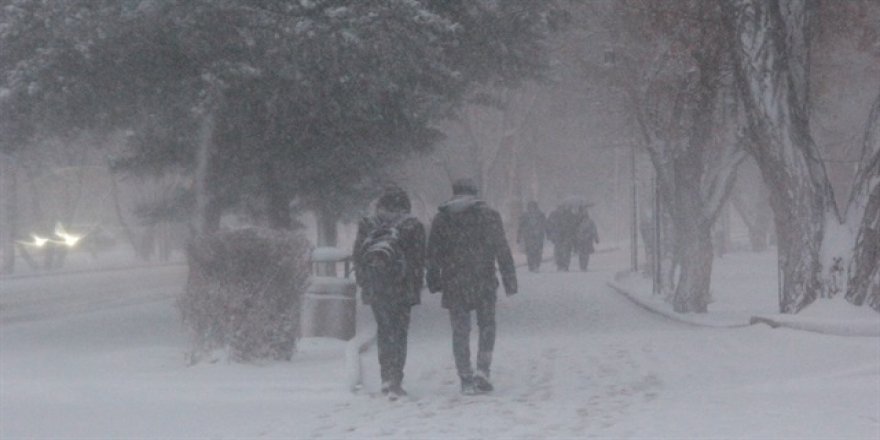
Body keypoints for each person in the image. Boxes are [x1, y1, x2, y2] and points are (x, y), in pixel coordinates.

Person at [426, 178, 517, 395]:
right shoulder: (489, 216)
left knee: (460, 331)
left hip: (454, 281)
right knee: (487, 326)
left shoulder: (442, 218)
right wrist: (509, 279)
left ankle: (465, 376)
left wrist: (434, 279)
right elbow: (502, 249)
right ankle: (483, 369)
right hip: (483, 279)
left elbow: (433, 253)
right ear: (475, 193)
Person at [352, 187, 426, 400]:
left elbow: (358, 256)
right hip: (402, 287)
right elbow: (418, 259)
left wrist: (365, 283)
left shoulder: (368, 224)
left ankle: (385, 376)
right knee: (400, 332)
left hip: (377, 287)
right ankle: (395, 379)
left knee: (384, 331)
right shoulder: (412, 226)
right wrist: (415, 286)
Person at [546, 204, 579, 271]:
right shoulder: (554, 214)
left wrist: (573, 234)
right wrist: (550, 234)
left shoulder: (569, 214)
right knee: (559, 251)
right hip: (558, 236)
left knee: (566, 251)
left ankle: (565, 265)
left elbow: (574, 224)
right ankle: (560, 264)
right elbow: (548, 225)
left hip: (567, 235)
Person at [517, 201, 546, 272]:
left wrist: (546, 233)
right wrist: (518, 236)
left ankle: (537, 264)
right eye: (530, 207)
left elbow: (545, 225)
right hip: (528, 237)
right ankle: (531, 265)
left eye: (533, 207)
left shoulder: (541, 215)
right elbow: (520, 226)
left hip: (538, 237)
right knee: (530, 252)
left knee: (538, 251)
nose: (532, 208)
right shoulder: (524, 216)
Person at [575, 207, 599, 272]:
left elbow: (594, 230)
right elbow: (594, 230)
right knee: (584, 253)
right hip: (584, 240)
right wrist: (596, 238)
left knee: (584, 253)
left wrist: (596, 238)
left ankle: (583, 265)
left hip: (584, 240)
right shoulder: (578, 221)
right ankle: (583, 265)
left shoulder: (587, 221)